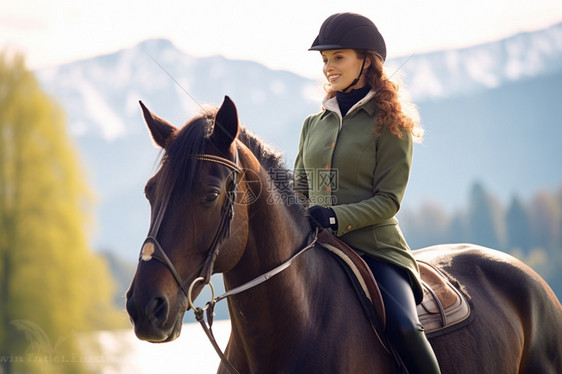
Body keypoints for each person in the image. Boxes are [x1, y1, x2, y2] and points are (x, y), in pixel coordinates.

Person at [293, 12, 441, 373]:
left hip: (376, 250)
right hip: (316, 247)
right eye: (325, 60)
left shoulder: (390, 124)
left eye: (338, 57)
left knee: (404, 328)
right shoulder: (313, 123)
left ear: (366, 61)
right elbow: (298, 186)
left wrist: (335, 216)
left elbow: (389, 199)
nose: (328, 67)